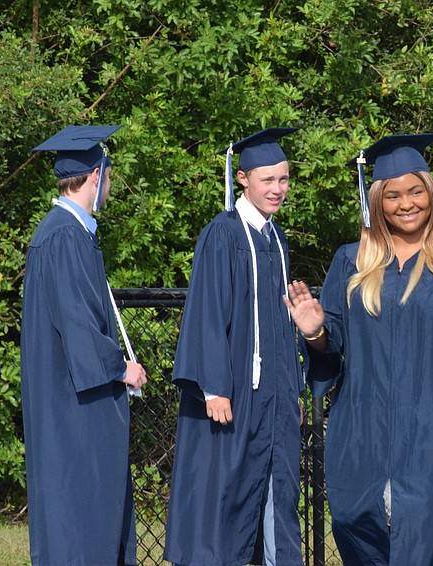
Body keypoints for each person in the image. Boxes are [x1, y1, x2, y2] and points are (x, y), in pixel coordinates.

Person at [285, 133, 433, 565]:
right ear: (377, 203)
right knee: (354, 522)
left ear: (432, 195)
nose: (406, 203)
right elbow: (331, 355)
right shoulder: (351, 261)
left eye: (415, 191)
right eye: (393, 195)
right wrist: (314, 333)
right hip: (363, 427)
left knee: (429, 528)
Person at [164, 128, 304, 566]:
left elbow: (281, 326)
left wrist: (290, 389)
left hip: (270, 396)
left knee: (273, 489)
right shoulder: (223, 233)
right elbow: (209, 311)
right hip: (234, 394)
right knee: (226, 491)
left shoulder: (273, 237)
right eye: (268, 180)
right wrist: (214, 386)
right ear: (242, 178)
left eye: (283, 180)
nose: (277, 189)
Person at [22, 125, 148, 566]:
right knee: (77, 522)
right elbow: (77, 325)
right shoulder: (63, 236)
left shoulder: (73, 233)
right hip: (72, 411)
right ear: (96, 175)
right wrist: (121, 367)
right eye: (108, 176)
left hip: (73, 404)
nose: (109, 184)